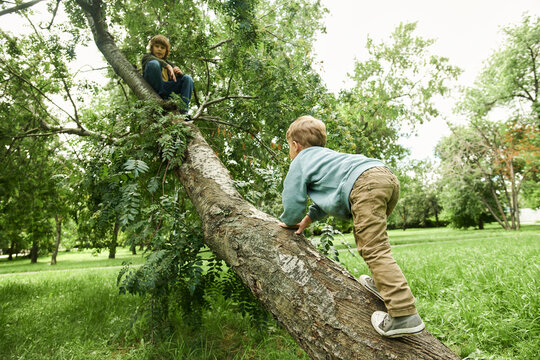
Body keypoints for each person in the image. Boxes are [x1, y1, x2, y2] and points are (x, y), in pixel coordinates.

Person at [279, 115, 425, 338]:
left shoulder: (300, 161)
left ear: (295, 145)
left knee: (373, 248)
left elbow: (292, 199)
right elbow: (330, 194)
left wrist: (289, 221)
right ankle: (383, 284)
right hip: (384, 177)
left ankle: (404, 314)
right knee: (372, 242)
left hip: (364, 184)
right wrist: (309, 218)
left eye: (289, 146)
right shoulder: (327, 158)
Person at [142, 35, 194, 114]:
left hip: (165, 88)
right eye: (157, 46)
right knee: (154, 63)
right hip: (153, 85)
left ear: (166, 51)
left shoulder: (170, 64)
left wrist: (179, 73)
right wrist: (167, 65)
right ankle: (162, 97)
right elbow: (152, 62)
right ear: (152, 48)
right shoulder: (147, 57)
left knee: (188, 79)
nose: (159, 49)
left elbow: (179, 80)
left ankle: (184, 111)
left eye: (162, 48)